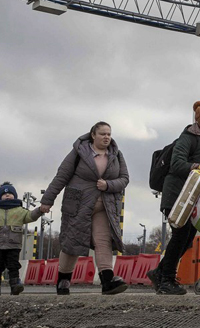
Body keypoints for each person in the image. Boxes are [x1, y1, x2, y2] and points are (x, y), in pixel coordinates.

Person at [39, 121, 130, 295]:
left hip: (105, 205)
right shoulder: (79, 152)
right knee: (72, 242)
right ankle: (63, 280)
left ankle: (107, 280)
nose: (106, 137)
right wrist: (47, 200)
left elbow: (125, 178)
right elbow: (62, 176)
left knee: (103, 241)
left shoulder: (116, 155)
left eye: (109, 134)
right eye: (103, 134)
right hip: (78, 204)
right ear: (93, 135)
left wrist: (109, 185)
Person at [150, 101, 200, 295]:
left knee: (188, 238)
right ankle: (166, 279)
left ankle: (159, 273)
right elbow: (176, 164)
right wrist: (197, 166)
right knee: (181, 235)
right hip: (177, 196)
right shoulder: (187, 138)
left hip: (195, 197)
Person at [0, 182, 41, 295]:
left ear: (14, 196)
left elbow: (30, 216)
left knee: (13, 265)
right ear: (0, 197)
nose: (7, 195)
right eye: (4, 194)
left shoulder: (20, 211)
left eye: (10, 193)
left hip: (13, 244)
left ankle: (15, 285)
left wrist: (40, 210)